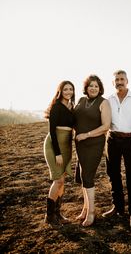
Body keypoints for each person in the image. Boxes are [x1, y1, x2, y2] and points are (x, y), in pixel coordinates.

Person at [102, 70, 131, 228]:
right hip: (113, 139)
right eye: (116, 79)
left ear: (127, 81)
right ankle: (118, 207)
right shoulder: (108, 100)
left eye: (122, 79)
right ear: (113, 82)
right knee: (113, 173)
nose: (119, 81)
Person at [74, 74, 111, 227]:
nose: (93, 88)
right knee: (83, 176)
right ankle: (85, 208)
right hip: (80, 144)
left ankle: (91, 213)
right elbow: (74, 118)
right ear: (86, 88)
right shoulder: (81, 101)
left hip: (94, 144)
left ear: (100, 88)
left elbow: (106, 126)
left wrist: (87, 135)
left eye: (96, 86)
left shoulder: (104, 102)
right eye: (91, 86)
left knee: (88, 176)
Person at [44, 80, 75, 225]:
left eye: (71, 89)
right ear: (60, 91)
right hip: (54, 146)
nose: (68, 92)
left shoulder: (71, 107)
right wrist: (57, 153)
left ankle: (58, 213)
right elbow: (52, 132)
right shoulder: (56, 107)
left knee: (63, 181)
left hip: (67, 146)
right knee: (58, 180)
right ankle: (49, 216)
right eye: (65, 89)